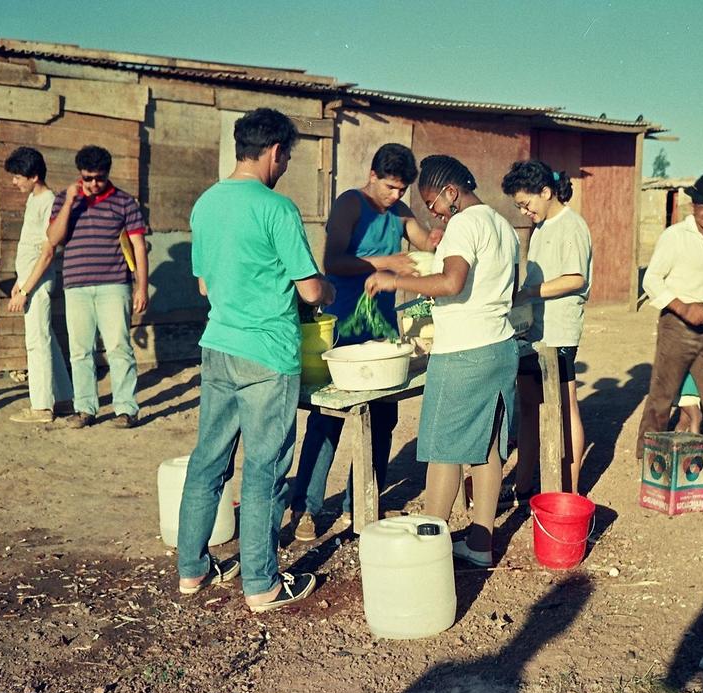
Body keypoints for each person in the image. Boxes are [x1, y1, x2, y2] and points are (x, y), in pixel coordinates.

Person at [177, 108, 335, 612]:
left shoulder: (206, 204)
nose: (285, 164)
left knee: (209, 459)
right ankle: (261, 584)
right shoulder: (277, 208)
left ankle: (192, 570)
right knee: (264, 468)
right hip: (268, 353)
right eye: (286, 155)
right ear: (273, 151)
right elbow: (310, 289)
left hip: (219, 345)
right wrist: (326, 290)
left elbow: (204, 283)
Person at [366, 154, 518, 568]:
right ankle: (481, 544)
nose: (432, 213)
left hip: (463, 352)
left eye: (433, 204)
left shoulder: (465, 224)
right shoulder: (502, 224)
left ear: (452, 192)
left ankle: (430, 552)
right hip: (500, 346)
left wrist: (395, 280)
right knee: (486, 449)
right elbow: (512, 286)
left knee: (444, 451)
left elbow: (452, 282)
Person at [289, 143, 440, 542]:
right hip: (345, 323)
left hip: (382, 325)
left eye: (401, 190)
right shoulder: (350, 204)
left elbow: (426, 243)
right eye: (390, 187)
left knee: (383, 414)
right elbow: (333, 262)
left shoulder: (400, 210)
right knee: (328, 415)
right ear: (372, 175)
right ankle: (305, 504)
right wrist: (387, 262)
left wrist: (443, 233)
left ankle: (361, 503)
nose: (395, 196)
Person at [500, 159, 592, 503]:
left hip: (560, 332)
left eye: (527, 203)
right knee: (528, 405)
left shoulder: (572, 226)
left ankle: (567, 491)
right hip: (534, 330)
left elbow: (576, 278)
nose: (525, 211)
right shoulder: (540, 228)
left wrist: (529, 293)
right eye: (519, 206)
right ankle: (523, 486)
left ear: (546, 192)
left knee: (565, 406)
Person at [635, 174, 703, 474]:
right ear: (693, 205)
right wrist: (682, 308)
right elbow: (651, 280)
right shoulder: (675, 236)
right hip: (677, 324)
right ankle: (647, 457)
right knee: (664, 394)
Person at [47, 145, 148, 429]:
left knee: (119, 348)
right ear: (80, 175)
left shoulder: (125, 202)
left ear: (108, 174)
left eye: (99, 178)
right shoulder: (64, 200)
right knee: (80, 350)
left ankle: (126, 409)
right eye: (88, 178)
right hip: (76, 286)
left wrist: (142, 287)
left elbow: (139, 246)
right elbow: (54, 239)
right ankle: (85, 409)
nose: (93, 184)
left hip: (114, 285)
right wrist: (69, 202)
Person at [3, 147, 73, 423]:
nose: (14, 181)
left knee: (37, 342)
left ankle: (42, 407)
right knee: (48, 339)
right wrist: (19, 282)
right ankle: (65, 399)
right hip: (29, 279)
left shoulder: (49, 201)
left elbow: (47, 252)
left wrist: (25, 289)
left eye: (18, 176)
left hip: (38, 282)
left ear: (34, 176)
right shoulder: (34, 199)